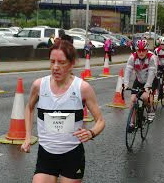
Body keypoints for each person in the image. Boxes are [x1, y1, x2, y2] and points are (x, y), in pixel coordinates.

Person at [20, 40, 105, 183]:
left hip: (72, 155)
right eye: (52, 61)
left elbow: (100, 121)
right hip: (46, 154)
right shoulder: (39, 85)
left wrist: (91, 132)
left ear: (72, 64)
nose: (55, 67)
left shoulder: (82, 88)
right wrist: (27, 137)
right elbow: (29, 108)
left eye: (61, 62)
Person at [123, 39, 157, 128]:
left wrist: (148, 86)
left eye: (143, 50)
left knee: (146, 97)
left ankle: (150, 109)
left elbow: (151, 73)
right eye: (139, 50)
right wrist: (125, 84)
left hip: (151, 80)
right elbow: (128, 71)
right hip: (139, 80)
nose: (141, 53)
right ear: (136, 50)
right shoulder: (132, 57)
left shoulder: (152, 57)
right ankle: (132, 123)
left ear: (147, 50)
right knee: (133, 100)